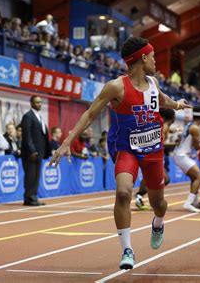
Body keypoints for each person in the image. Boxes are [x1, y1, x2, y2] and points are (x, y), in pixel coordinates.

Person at [49, 36, 190, 270]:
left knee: (159, 204)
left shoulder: (153, 82)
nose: (156, 61)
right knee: (123, 193)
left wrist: (176, 104)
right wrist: (67, 141)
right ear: (143, 58)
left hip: (153, 150)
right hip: (127, 149)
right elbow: (90, 114)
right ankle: (127, 249)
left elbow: (161, 99)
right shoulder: (116, 87)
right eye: (153, 57)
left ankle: (158, 222)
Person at [135, 108, 175, 211]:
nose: (175, 118)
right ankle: (140, 196)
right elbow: (160, 141)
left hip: (154, 153)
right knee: (165, 179)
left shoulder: (162, 125)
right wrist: (175, 144)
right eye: (174, 116)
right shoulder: (165, 126)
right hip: (156, 154)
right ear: (169, 117)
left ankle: (140, 196)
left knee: (151, 178)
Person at [172, 106, 200, 213]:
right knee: (199, 177)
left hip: (181, 155)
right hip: (182, 155)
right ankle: (188, 203)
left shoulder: (190, 125)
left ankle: (195, 202)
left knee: (194, 178)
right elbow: (197, 147)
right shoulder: (195, 128)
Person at [21, 96, 50, 206]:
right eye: (37, 102)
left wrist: (46, 151)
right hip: (31, 153)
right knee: (30, 175)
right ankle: (29, 197)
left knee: (36, 176)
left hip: (40, 152)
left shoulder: (39, 117)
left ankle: (33, 196)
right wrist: (32, 150)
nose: (39, 104)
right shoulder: (28, 116)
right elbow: (27, 135)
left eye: (41, 102)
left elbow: (43, 135)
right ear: (31, 103)